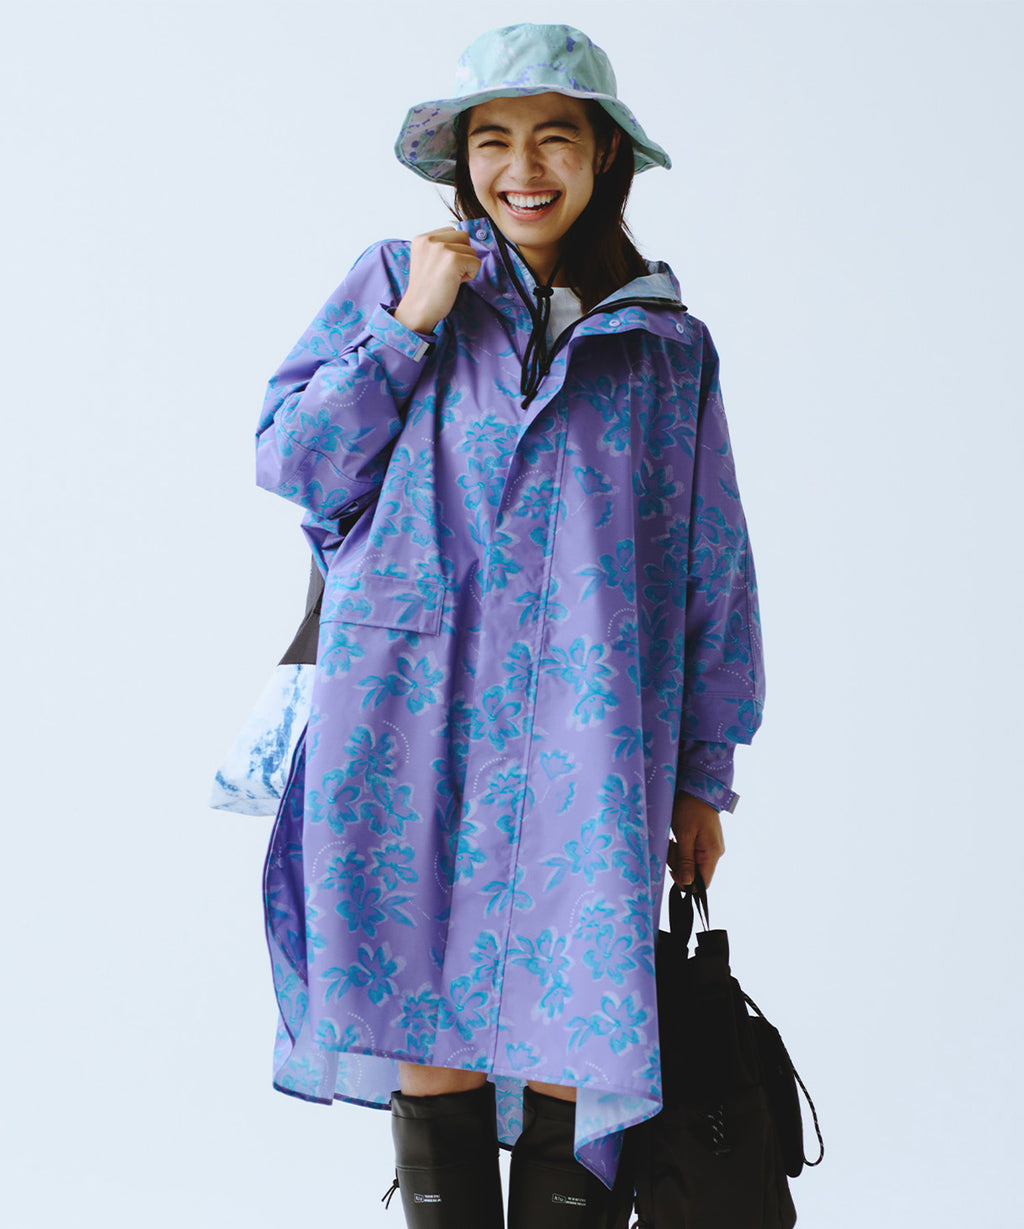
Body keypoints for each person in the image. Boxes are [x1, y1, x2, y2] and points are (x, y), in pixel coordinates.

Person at [255, 22, 764, 1229]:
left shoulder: (665, 346)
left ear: (604, 154)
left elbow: (711, 566)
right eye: (492, 141)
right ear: (460, 159)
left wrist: (704, 771)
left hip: (588, 743)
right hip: (406, 715)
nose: (521, 169)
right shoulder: (398, 281)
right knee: (422, 1017)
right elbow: (296, 462)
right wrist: (409, 325)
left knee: (573, 1041)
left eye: (553, 138)